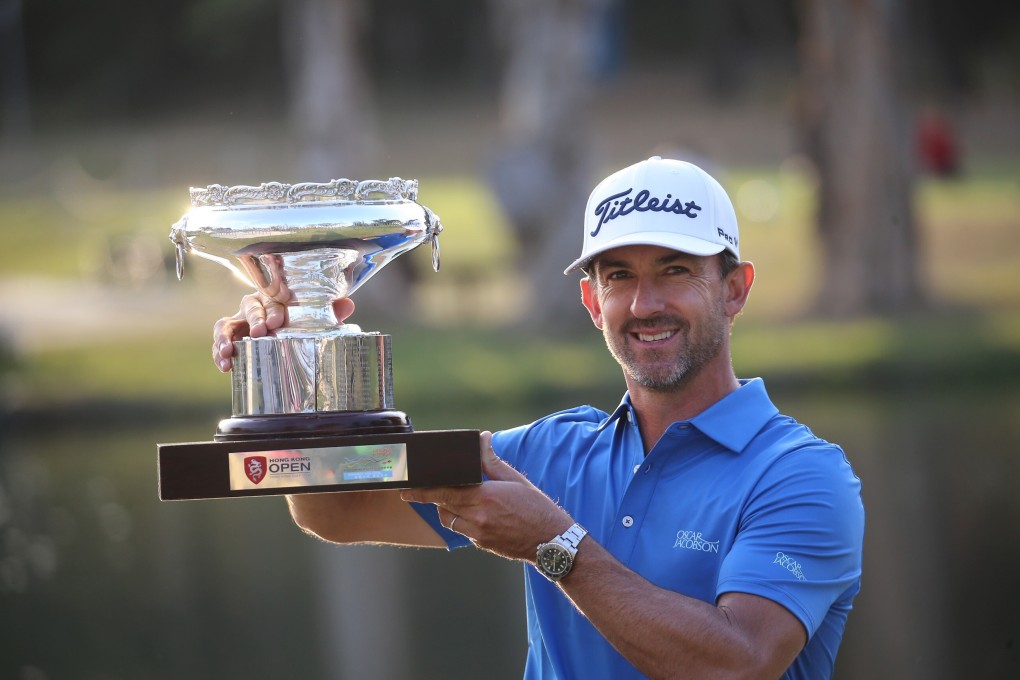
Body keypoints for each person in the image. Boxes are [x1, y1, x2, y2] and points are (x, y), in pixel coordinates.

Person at [213, 157, 865, 679]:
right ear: (592, 301)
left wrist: (556, 546)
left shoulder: (800, 476)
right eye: (618, 276)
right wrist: (293, 360)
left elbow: (739, 664)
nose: (645, 303)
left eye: (675, 271)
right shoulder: (552, 452)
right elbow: (335, 512)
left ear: (734, 289)